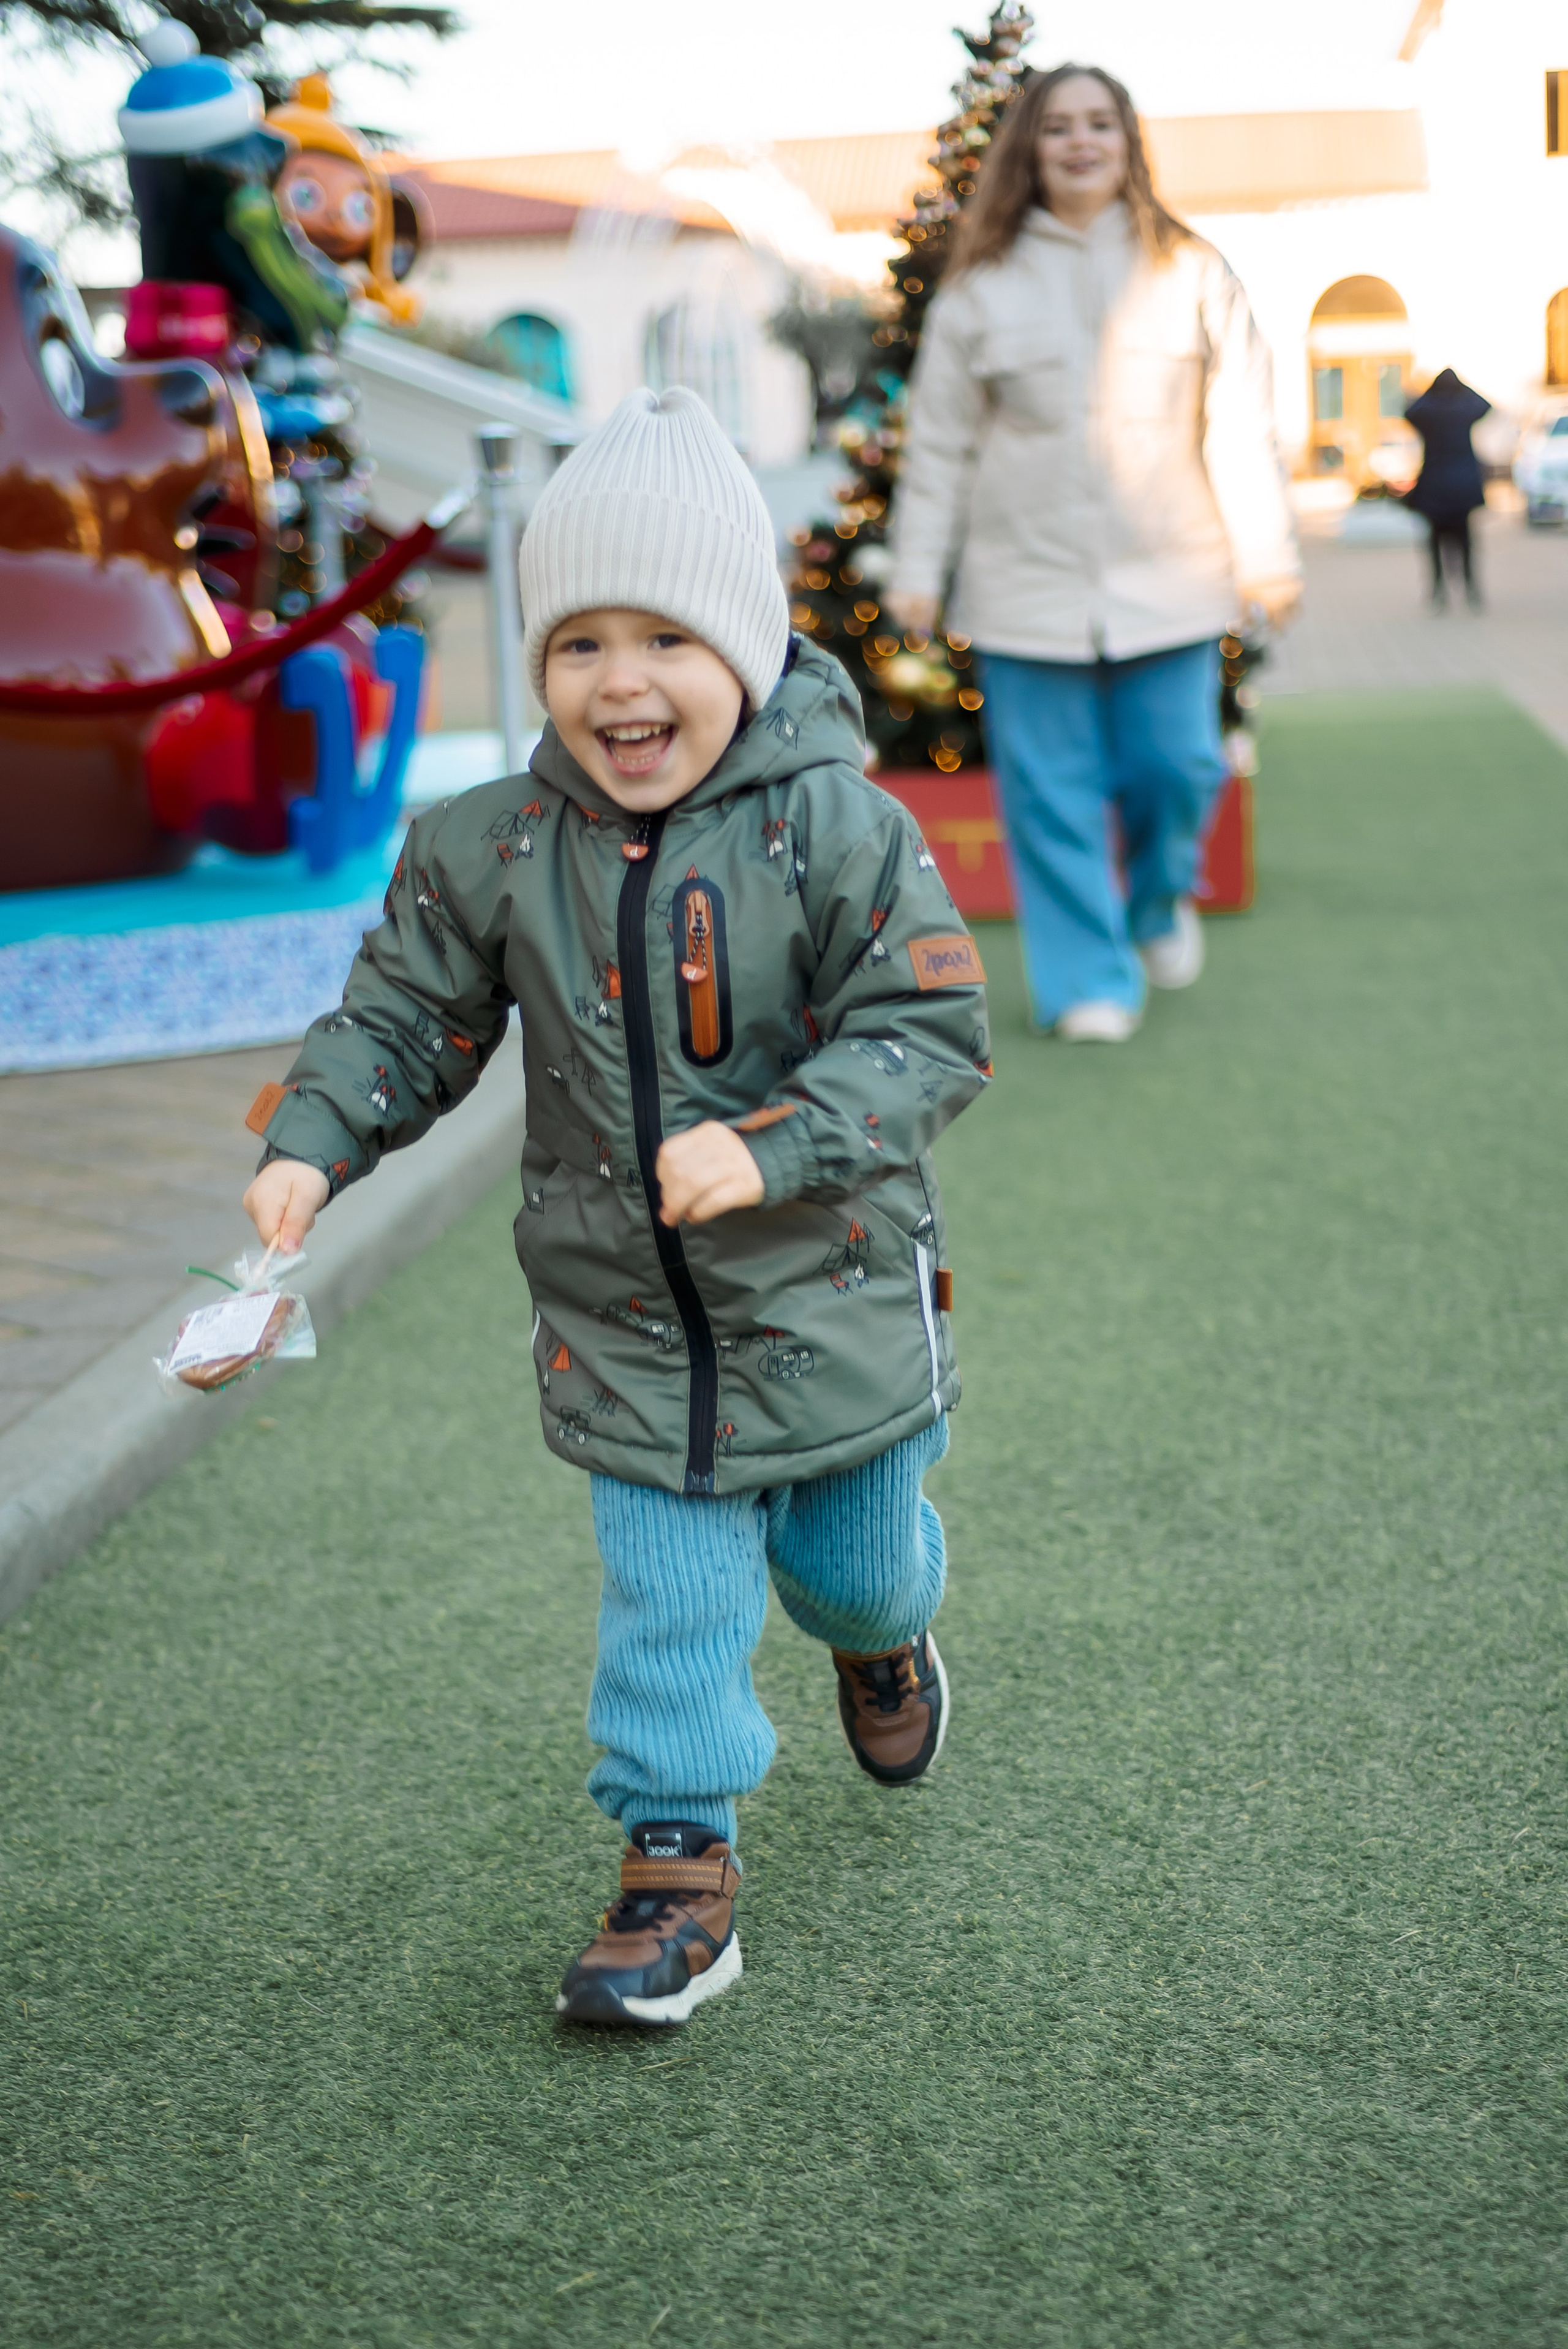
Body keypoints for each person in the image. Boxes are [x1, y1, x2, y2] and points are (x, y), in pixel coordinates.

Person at [239, 387, 991, 2029]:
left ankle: (888, 1636)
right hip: (626, 1320)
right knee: (672, 1593)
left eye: (666, 637)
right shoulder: (488, 846)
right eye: (578, 642)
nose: (621, 681)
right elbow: (400, 1017)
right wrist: (316, 1140)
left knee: (851, 1571)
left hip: (834, 1294)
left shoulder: (836, 829)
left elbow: (932, 1026)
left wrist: (781, 1143)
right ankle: (677, 1866)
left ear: (747, 649)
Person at [888, 64, 1300, 1043]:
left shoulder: (1193, 270)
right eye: (1059, 127)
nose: (1080, 142)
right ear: (1028, 148)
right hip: (1022, 585)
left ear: (1129, 144)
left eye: (1099, 125)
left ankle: (1159, 902)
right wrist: (915, 570)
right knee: (1050, 793)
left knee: (1181, 765)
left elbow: (1242, 427)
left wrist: (1267, 557)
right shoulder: (978, 293)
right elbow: (938, 444)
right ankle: (1087, 984)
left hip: (1174, 576)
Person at [1404, 369, 1490, 610]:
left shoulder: (1428, 412)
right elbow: (1485, 405)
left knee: (1434, 544)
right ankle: (1471, 590)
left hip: (1435, 487)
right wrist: (1463, 388)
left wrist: (1429, 391)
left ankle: (1438, 592)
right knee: (1466, 543)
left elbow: (1410, 411)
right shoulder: (1464, 410)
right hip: (1463, 487)